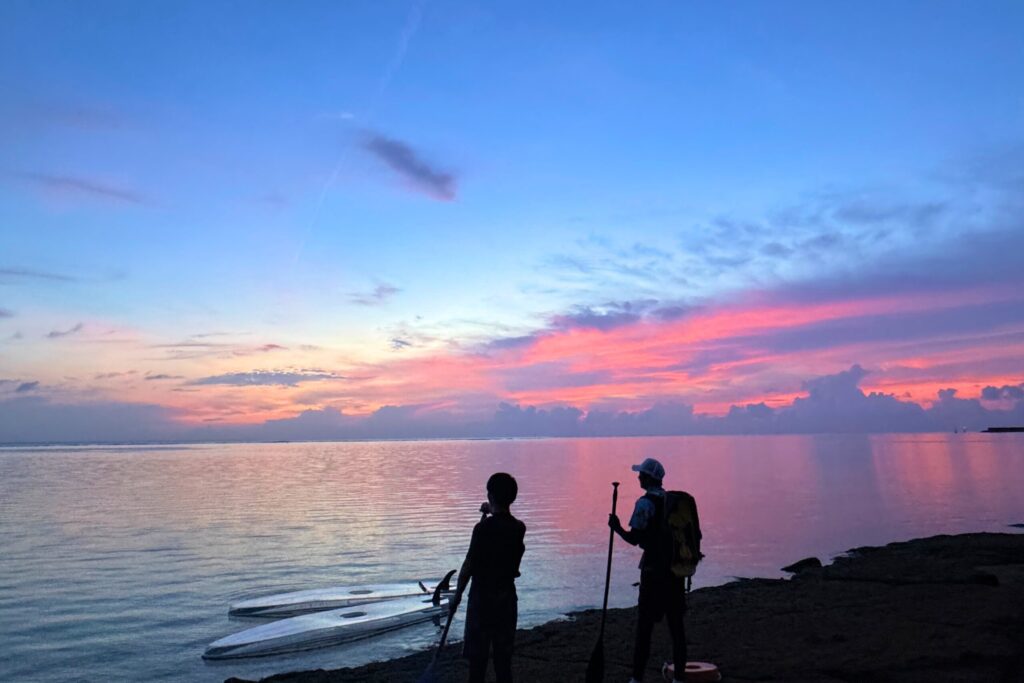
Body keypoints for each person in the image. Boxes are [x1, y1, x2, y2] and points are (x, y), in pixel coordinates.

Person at [608, 457, 687, 683]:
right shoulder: (672, 502)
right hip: (675, 571)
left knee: (644, 628)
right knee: (676, 627)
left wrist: (617, 528)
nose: (638, 477)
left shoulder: (645, 503)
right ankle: (679, 678)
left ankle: (637, 678)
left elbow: (635, 538)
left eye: (641, 474)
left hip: (653, 572)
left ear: (648, 477)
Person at [448, 472, 526, 683]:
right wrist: (491, 509)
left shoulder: (482, 529)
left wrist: (457, 595)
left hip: (481, 601)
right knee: (503, 662)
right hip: (506, 599)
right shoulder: (519, 528)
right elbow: (504, 520)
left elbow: (469, 565)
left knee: (478, 662)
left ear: (490, 495)